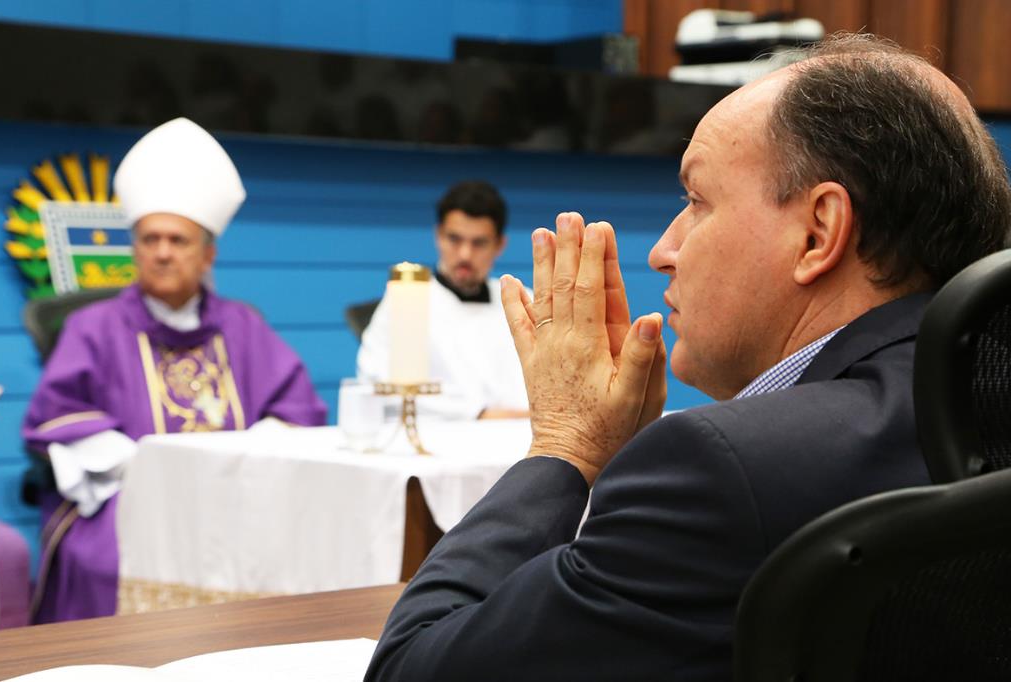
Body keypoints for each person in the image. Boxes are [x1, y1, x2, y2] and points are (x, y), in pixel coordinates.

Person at [365, 35, 1011, 680]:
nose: (663, 252)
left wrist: (565, 446)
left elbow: (411, 669)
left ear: (818, 233)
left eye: (696, 202)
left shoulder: (717, 471)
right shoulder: (987, 400)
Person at [22, 117, 327, 623]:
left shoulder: (243, 327)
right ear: (135, 248)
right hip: (130, 496)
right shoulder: (93, 327)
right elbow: (59, 418)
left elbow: (297, 413)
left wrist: (238, 461)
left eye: (178, 240)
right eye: (150, 239)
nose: (162, 253)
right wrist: (155, 469)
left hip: (234, 497)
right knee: (104, 563)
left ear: (208, 254)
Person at [357, 180, 528, 419]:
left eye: (479, 243)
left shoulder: (522, 301)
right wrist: (477, 415)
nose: (465, 254)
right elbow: (377, 382)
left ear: (500, 245)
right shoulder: (406, 301)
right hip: (441, 436)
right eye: (454, 239)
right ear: (438, 235)